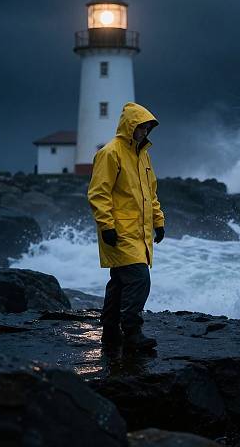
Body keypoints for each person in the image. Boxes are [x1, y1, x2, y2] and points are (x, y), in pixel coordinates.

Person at [87, 102, 165, 349]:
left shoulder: (143, 155)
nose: (144, 132)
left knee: (120, 282)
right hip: (120, 231)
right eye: (140, 127)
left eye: (147, 128)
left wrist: (158, 221)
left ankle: (110, 331)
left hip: (138, 232)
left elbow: (150, 194)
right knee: (140, 279)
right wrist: (106, 225)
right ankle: (131, 332)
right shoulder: (111, 152)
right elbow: (99, 193)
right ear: (129, 126)